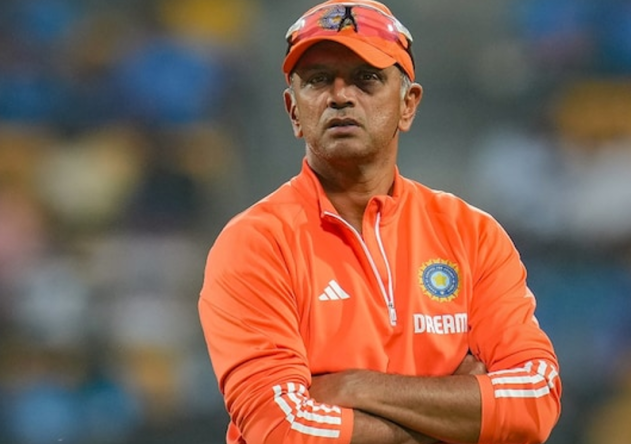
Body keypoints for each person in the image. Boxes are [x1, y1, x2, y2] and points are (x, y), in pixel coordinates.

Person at [198, 1, 562, 443]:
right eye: (317, 80)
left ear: (408, 105)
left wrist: (355, 387)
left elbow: (535, 399)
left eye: (366, 78)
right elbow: (280, 429)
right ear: (294, 111)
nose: (340, 96)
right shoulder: (256, 243)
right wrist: (456, 415)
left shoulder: (473, 235)